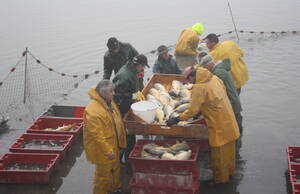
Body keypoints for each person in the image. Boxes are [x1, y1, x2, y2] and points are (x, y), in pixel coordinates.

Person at [167, 66, 240, 183]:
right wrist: (204, 108)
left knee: (219, 156)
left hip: (218, 125)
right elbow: (216, 96)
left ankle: (221, 182)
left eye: (188, 79)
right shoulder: (214, 78)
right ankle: (230, 174)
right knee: (229, 151)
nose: (188, 82)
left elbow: (192, 111)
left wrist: (176, 119)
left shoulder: (199, 88)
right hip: (229, 119)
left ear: (192, 76)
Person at [83, 80, 127, 194]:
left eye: (113, 91)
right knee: (102, 176)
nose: (114, 94)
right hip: (103, 150)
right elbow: (97, 136)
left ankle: (115, 188)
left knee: (115, 169)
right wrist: (108, 150)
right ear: (102, 93)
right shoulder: (92, 111)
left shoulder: (108, 101)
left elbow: (116, 119)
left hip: (114, 145)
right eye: (111, 91)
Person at [112, 54, 149, 162]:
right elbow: (115, 93)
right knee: (127, 135)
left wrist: (137, 91)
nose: (143, 69)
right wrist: (132, 96)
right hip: (120, 107)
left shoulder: (132, 69)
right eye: (143, 66)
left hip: (127, 104)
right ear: (138, 65)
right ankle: (125, 160)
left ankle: (126, 157)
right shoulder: (125, 75)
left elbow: (130, 86)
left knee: (128, 134)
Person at [198, 54, 243, 134]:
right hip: (233, 102)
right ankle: (238, 142)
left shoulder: (218, 73)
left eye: (205, 68)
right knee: (237, 126)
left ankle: (237, 143)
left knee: (234, 130)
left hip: (231, 104)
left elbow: (216, 92)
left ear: (209, 65)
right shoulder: (220, 69)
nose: (205, 70)